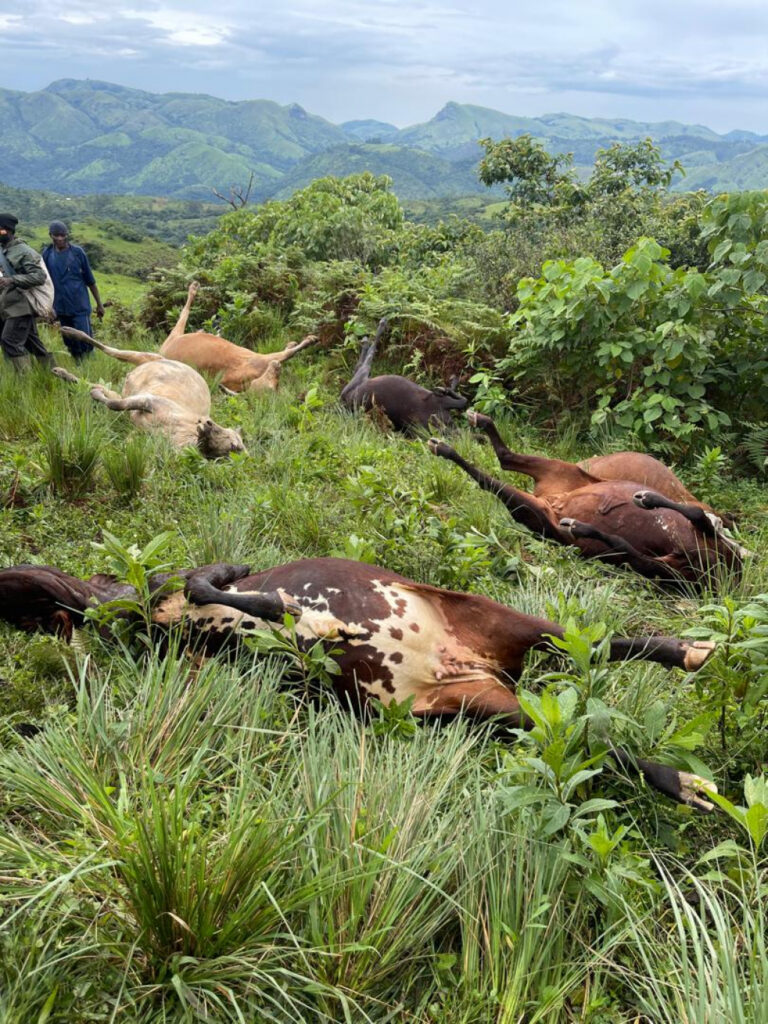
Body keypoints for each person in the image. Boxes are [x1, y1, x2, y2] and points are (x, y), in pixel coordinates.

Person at [42, 220, 104, 361]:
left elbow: (90, 281)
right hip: (60, 307)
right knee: (69, 341)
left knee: (85, 341)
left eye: (63, 235)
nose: (59, 238)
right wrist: (47, 306)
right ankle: (77, 368)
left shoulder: (77, 253)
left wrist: (99, 304)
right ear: (50, 235)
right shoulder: (47, 254)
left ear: (67, 235)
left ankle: (91, 367)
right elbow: (45, 282)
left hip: (79, 306)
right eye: (56, 235)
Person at [0, 213, 54, 372]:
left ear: (7, 231)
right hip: (8, 305)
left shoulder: (23, 251)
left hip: (21, 306)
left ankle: (24, 381)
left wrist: (12, 280)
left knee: (9, 341)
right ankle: (54, 373)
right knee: (34, 345)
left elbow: (39, 276)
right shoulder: (4, 250)